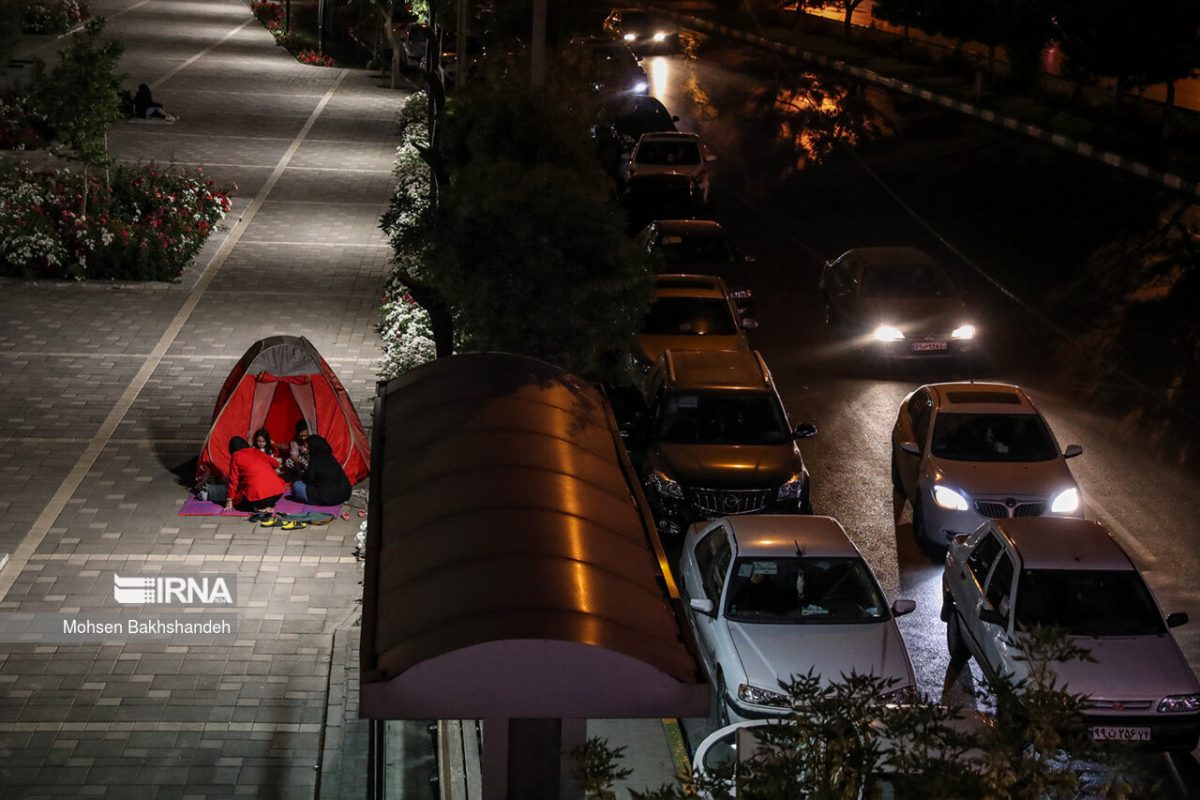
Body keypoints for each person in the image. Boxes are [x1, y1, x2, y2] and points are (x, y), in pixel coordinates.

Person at [223, 436, 286, 517]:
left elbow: (233, 480)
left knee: (238, 501)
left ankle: (259, 507)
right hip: (277, 493)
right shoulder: (256, 451)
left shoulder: (236, 456)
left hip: (258, 496)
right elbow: (275, 463)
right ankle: (265, 505)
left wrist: (229, 500)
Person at [291, 435, 352, 507]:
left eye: (307, 447)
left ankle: (313, 501)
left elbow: (309, 480)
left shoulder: (315, 460)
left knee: (297, 485)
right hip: (343, 494)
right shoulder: (330, 458)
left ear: (313, 447)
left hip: (327, 497)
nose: (304, 449)